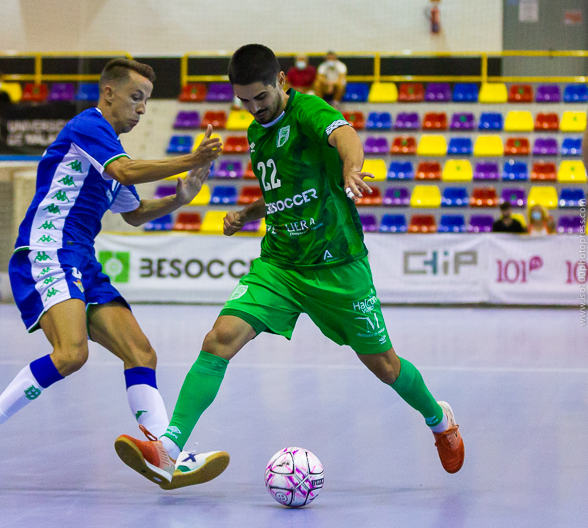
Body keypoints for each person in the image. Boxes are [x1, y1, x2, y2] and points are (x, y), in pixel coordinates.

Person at [115, 44, 465, 488]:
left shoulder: (308, 110)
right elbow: (286, 191)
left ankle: (440, 422)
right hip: (280, 265)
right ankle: (168, 449)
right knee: (218, 340)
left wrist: (351, 168)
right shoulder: (255, 133)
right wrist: (248, 213)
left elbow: (345, 137)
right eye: (244, 100)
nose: (254, 108)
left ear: (281, 82)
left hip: (337, 266)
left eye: (260, 97)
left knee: (384, 366)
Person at [0, 58, 230, 489]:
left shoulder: (113, 150)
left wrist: (182, 196)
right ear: (109, 93)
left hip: (82, 258)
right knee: (71, 354)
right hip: (49, 247)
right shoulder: (89, 126)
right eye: (136, 98)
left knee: (141, 354)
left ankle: (165, 456)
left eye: (147, 102)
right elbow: (124, 171)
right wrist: (189, 159)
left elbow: (134, 213)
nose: (141, 109)